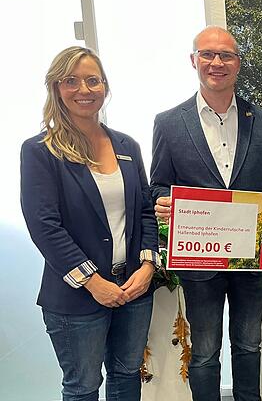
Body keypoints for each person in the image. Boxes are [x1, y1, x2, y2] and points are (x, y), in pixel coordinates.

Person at [150, 26, 262, 401]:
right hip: (200, 262)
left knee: (248, 346)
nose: (217, 62)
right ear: (193, 59)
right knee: (205, 353)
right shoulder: (168, 122)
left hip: (253, 260)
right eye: (208, 54)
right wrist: (162, 201)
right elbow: (158, 186)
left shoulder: (261, 120)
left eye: (226, 55)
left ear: (238, 64)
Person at [20, 46, 159, 401]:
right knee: (83, 388)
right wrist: (94, 282)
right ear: (56, 88)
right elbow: (45, 227)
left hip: (133, 288)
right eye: (71, 81)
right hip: (77, 296)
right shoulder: (40, 151)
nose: (84, 89)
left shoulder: (127, 145)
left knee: (127, 376)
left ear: (105, 87)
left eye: (92, 80)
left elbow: (144, 211)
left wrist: (147, 266)